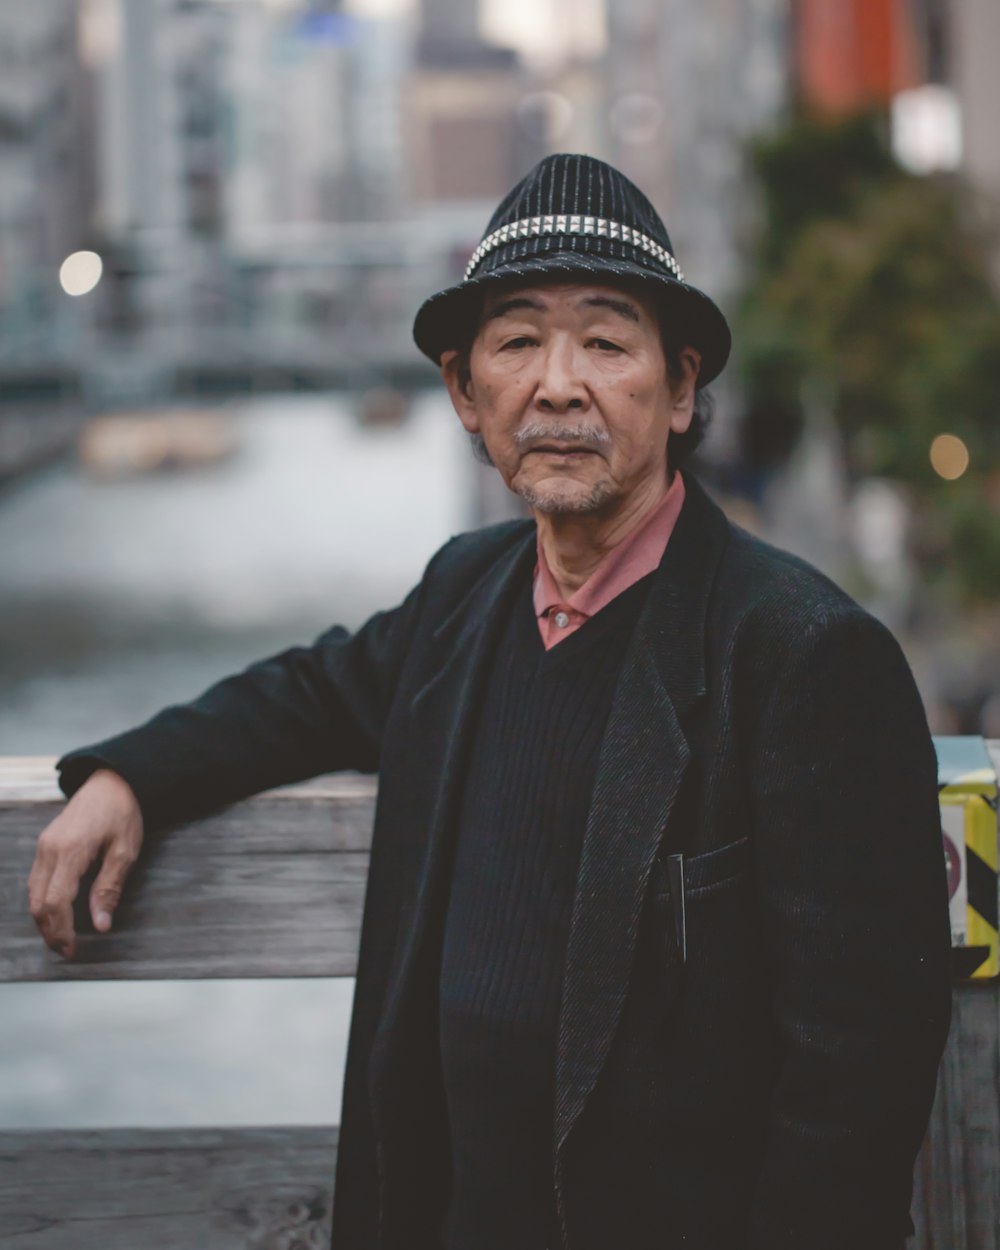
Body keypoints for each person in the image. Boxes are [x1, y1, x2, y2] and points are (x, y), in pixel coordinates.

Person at [27, 153, 951, 1250]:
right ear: (468, 395)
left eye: (606, 341)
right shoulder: (462, 597)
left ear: (683, 385)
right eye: (516, 342)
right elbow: (307, 691)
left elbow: (859, 1074)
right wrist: (128, 774)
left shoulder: (803, 653)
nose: (559, 383)